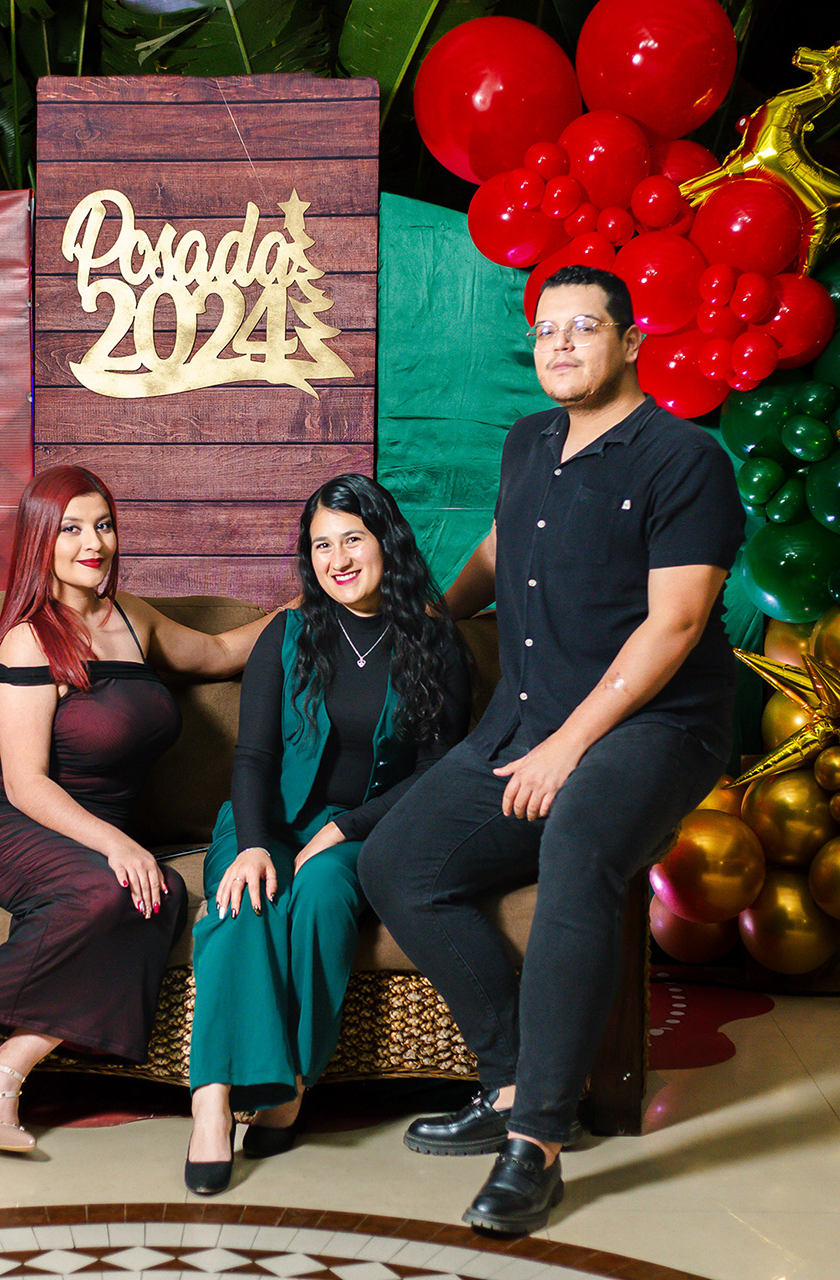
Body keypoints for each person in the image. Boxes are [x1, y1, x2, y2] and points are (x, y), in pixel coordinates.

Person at [359, 265, 744, 1235]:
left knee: (578, 847)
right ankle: (508, 1082)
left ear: (631, 341)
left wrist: (570, 748)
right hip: (527, 718)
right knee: (397, 863)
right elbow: (500, 548)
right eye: (546, 330)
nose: (561, 344)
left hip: (657, 724)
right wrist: (432, 619)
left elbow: (675, 624)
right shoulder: (528, 439)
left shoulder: (685, 458)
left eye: (583, 326)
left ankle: (536, 1143)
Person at [0, 464, 281, 1153]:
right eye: (71, 529)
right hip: (0, 823)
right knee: (108, 890)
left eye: (104, 525)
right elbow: (25, 783)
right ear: (41, 540)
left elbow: (217, 652)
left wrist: (309, 605)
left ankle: (4, 1068)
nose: (94, 543)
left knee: (156, 898)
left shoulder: (131, 618)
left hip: (79, 833)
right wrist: (118, 844)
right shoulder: (30, 638)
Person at [183, 475, 471, 1195]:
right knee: (243, 899)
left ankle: (291, 1084)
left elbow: (437, 774)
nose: (337, 559)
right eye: (320, 545)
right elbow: (253, 756)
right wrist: (254, 842)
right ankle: (211, 1102)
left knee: (319, 895)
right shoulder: (285, 634)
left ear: (386, 542)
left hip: (369, 828)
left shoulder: (436, 641)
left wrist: (346, 827)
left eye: (352, 539)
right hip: (266, 819)